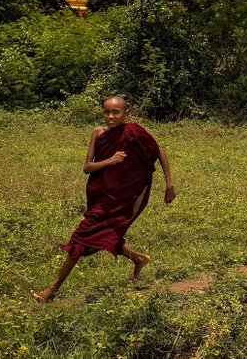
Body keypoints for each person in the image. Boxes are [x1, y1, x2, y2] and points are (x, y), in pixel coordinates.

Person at [33, 96, 175, 302]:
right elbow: (87, 168)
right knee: (103, 235)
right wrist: (110, 160)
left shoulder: (134, 132)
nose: (110, 116)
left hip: (123, 197)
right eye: (106, 112)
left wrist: (169, 185)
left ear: (127, 114)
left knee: (81, 239)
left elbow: (159, 151)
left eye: (115, 112)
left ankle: (51, 291)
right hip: (100, 197)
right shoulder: (98, 133)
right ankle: (139, 258)